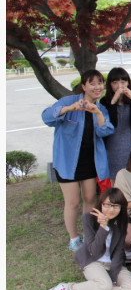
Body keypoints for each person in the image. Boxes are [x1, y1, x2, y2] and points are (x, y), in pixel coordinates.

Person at [42, 69, 114, 251]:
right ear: (83, 86)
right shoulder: (68, 101)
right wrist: (69, 108)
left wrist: (97, 112)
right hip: (67, 161)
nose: (97, 87)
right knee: (72, 201)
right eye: (92, 83)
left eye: (100, 83)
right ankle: (74, 239)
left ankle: (88, 234)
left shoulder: (101, 108)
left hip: (89, 160)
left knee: (89, 198)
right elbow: (47, 117)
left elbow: (105, 131)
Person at [45, 188, 131, 290]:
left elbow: (118, 251)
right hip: (93, 260)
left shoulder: (122, 221)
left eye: (116, 206)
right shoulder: (88, 218)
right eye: (108, 205)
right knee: (104, 286)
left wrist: (114, 279)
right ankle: (66, 288)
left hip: (113, 263)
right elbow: (93, 251)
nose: (111, 210)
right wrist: (103, 227)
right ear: (101, 203)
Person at [101, 67, 131, 184]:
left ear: (128, 83)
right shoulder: (104, 102)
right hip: (111, 145)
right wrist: (113, 102)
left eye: (123, 82)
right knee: (115, 179)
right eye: (115, 82)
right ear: (110, 84)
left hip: (129, 144)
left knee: (130, 177)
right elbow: (112, 123)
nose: (119, 86)